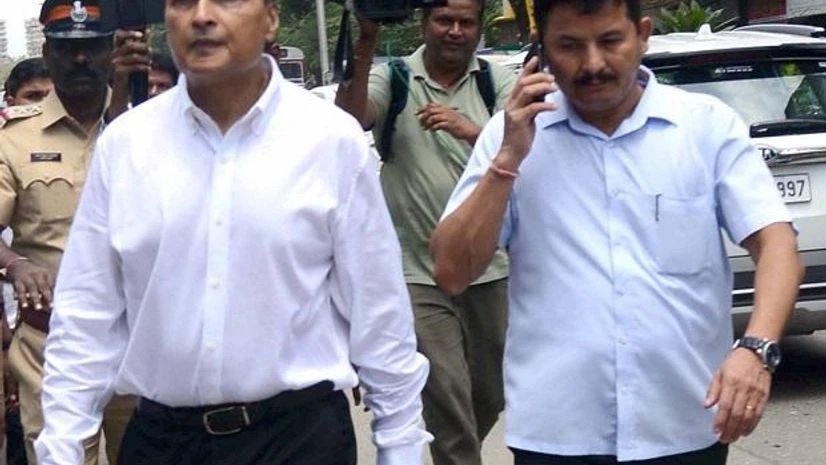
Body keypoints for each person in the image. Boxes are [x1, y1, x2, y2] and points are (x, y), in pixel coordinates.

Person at [35, 1, 430, 464]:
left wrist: (400, 446)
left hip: (297, 439)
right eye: (183, 2)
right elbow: (86, 316)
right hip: (164, 442)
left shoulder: (330, 141)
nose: (202, 16)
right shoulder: (126, 146)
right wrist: (60, 446)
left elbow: (379, 315)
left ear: (270, 19)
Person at [429, 0, 804, 464]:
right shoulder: (513, 137)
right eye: (569, 46)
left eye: (610, 41)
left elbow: (777, 244)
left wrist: (755, 350)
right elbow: (451, 271)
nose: (592, 64)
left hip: (684, 426)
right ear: (541, 50)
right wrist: (506, 161)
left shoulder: (705, 127)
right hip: (558, 434)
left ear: (642, 35)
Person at [335, 1, 515, 464]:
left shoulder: (496, 82)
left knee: (491, 393)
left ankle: (450, 450)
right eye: (443, 20)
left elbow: (522, 149)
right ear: (424, 23)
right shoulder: (394, 77)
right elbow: (351, 117)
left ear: (478, 28)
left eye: (466, 22)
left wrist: (470, 130)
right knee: (447, 395)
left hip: (490, 269)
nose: (454, 31)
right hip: (416, 275)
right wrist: (365, 43)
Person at [0, 1, 137, 464]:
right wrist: (15, 264)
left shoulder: (149, 130)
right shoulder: (13, 139)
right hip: (51, 346)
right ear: (49, 51)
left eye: (92, 47)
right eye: (67, 48)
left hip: (139, 344)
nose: (81, 60)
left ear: (111, 51)